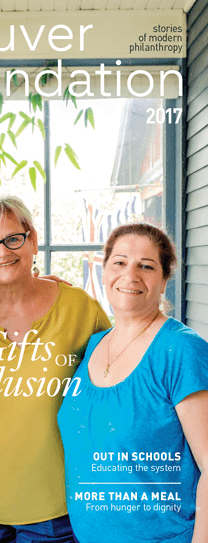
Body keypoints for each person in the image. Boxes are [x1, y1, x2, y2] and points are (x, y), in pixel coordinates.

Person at [0, 196, 111, 543]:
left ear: (32, 240)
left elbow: (119, 382)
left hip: (59, 508)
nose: (2, 252)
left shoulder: (79, 307)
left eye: (13, 239)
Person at [58, 223, 208, 543]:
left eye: (146, 266)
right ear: (104, 271)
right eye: (120, 262)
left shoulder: (180, 349)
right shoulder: (94, 346)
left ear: (165, 278)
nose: (131, 275)